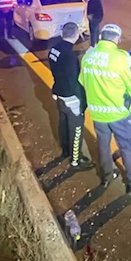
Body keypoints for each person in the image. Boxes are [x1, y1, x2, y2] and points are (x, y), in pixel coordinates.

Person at [79, 24, 131, 195]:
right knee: (126, 147)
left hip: (97, 113)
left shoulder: (88, 56)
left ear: (102, 36)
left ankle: (106, 176)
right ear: (116, 38)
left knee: (103, 145)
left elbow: (82, 81)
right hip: (118, 113)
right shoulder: (121, 57)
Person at [48, 22, 95, 170]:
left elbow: (57, 71)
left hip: (59, 92)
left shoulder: (54, 49)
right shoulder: (69, 56)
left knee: (63, 123)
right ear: (75, 35)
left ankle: (65, 151)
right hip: (71, 97)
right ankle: (75, 160)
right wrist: (81, 101)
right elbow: (73, 79)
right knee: (76, 128)